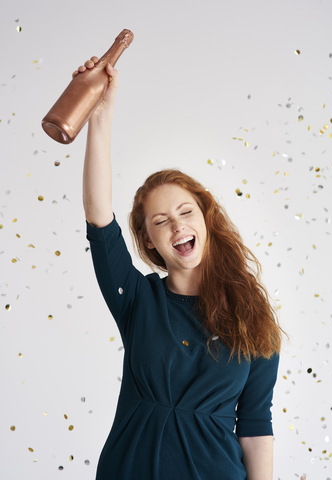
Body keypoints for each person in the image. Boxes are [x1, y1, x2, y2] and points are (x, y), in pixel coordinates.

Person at [74, 56, 285, 480]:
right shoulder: (137, 300)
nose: (177, 226)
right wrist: (100, 114)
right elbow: (99, 215)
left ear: (205, 220)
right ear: (149, 241)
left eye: (185, 212)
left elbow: (256, 425)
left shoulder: (254, 316)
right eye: (160, 221)